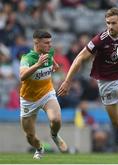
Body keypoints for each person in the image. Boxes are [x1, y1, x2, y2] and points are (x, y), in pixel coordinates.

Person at [58, 7, 118, 160]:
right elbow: (80, 58)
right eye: (108, 23)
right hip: (105, 83)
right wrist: (67, 81)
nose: (110, 27)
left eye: (113, 23)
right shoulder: (100, 39)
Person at [19, 29, 68, 159]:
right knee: (29, 135)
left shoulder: (49, 52)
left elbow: (52, 59)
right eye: (46, 43)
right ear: (37, 43)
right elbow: (22, 76)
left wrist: (55, 65)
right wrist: (38, 64)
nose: (50, 45)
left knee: (56, 119)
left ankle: (54, 135)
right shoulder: (27, 58)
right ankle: (39, 148)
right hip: (28, 100)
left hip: (47, 93)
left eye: (50, 42)